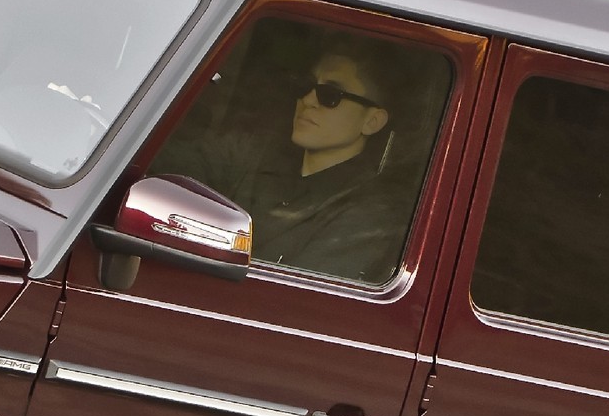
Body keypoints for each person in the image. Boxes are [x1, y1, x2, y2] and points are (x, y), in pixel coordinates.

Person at [158, 31, 428, 285]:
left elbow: (291, 297)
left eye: (330, 95)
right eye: (307, 87)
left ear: (372, 121)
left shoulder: (370, 216)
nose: (308, 100)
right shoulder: (252, 153)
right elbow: (170, 169)